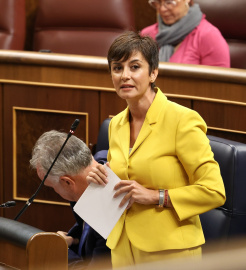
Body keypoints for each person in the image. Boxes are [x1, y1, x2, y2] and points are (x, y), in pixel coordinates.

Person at [86, 31, 226, 268]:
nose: (125, 76)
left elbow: (214, 190)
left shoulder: (182, 120)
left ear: (153, 73)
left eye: (135, 67)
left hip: (171, 252)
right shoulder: (116, 124)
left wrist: (156, 196)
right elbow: (125, 181)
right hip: (122, 248)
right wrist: (102, 177)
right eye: (117, 68)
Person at [30, 130, 110, 270]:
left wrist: (58, 250)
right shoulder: (96, 164)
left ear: (67, 182)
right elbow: (85, 231)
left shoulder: (108, 212)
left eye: (52, 187)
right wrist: (70, 240)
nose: (55, 191)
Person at [140, 0, 230, 67]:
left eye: (169, 2)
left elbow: (220, 87)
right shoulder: (147, 35)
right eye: (158, 3)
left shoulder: (209, 35)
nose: (162, 9)